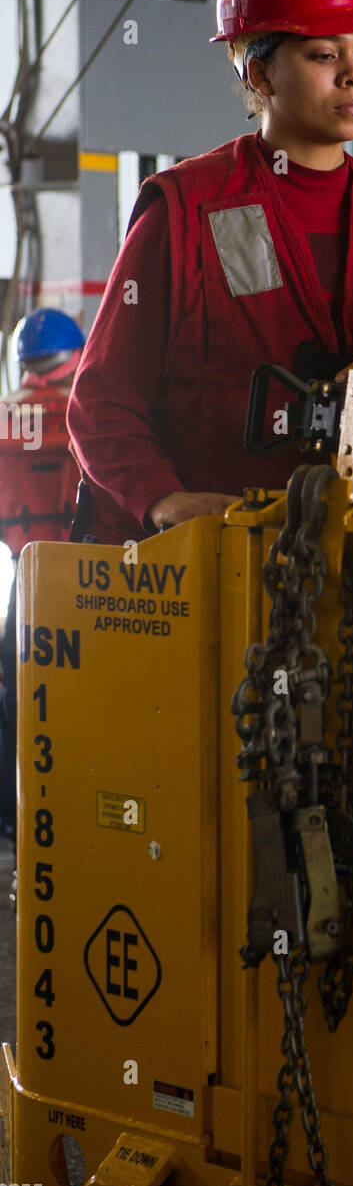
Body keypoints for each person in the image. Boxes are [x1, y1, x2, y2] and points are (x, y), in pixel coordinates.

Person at [66, 0, 353, 545]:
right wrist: (165, 503)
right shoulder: (186, 208)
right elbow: (102, 399)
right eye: (325, 55)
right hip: (224, 564)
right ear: (260, 73)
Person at [0, 308, 84, 846]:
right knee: (79, 706)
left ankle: (15, 819)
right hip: (85, 584)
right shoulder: (90, 415)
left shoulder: (6, 418)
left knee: (17, 701)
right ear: (77, 355)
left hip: (24, 584)